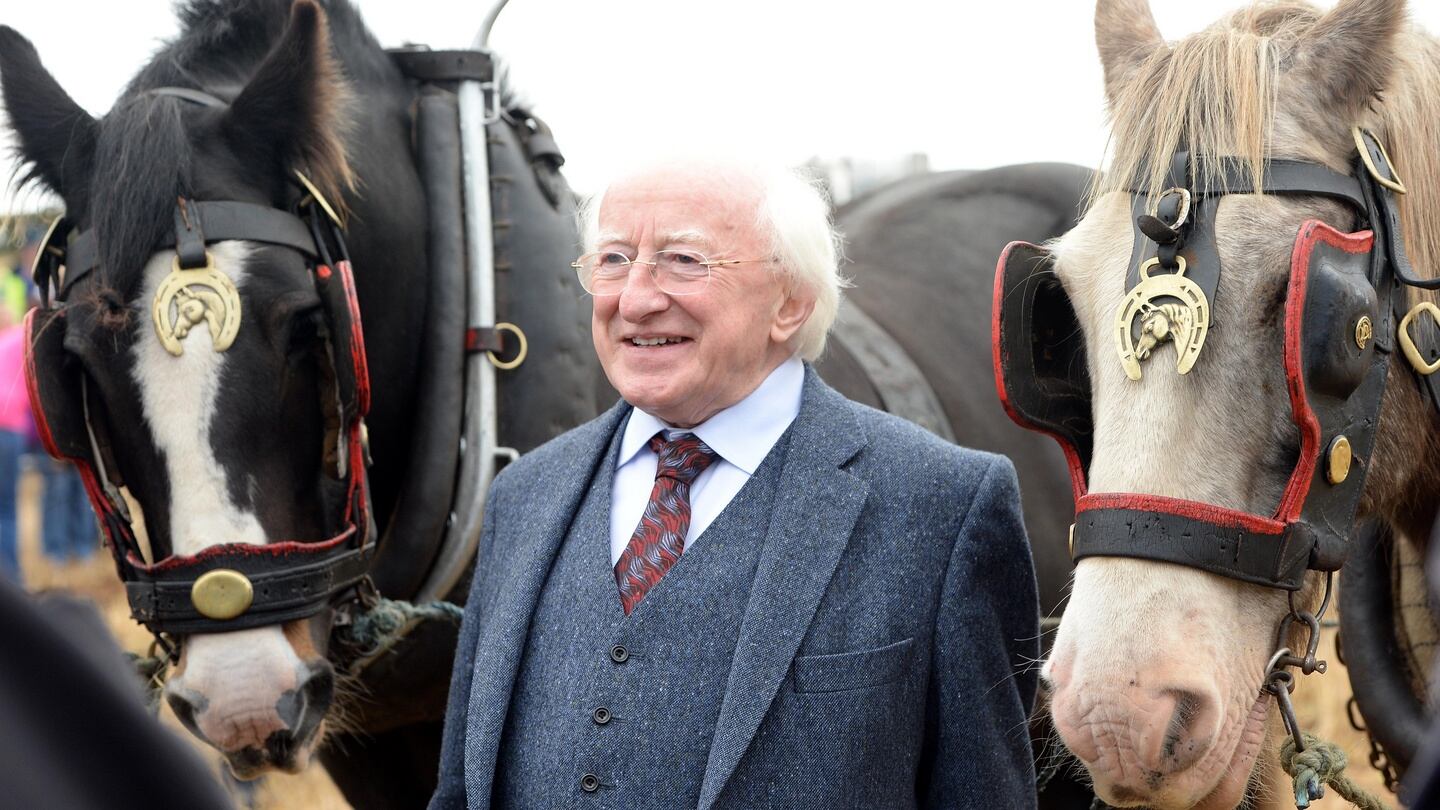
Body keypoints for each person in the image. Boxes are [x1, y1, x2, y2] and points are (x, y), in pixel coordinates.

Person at [431, 158, 1039, 809]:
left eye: (684, 261)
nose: (634, 299)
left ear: (791, 302)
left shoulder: (943, 507)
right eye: (611, 259)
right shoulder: (523, 497)